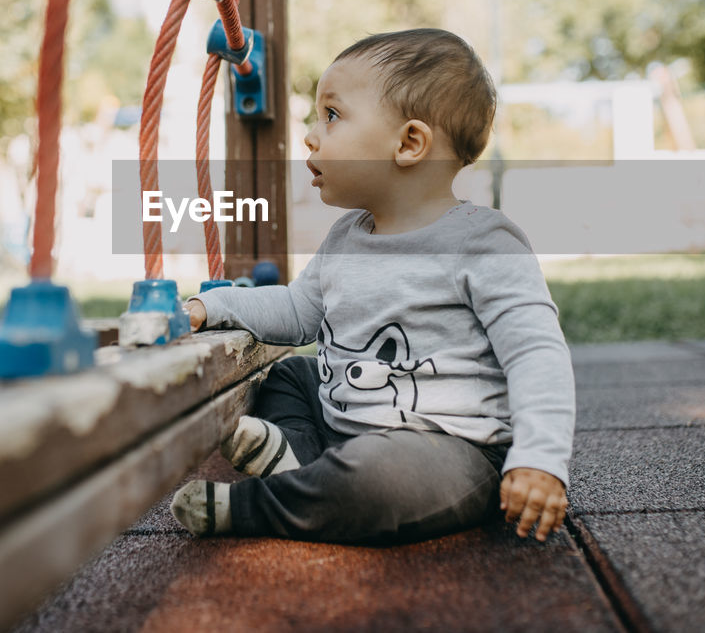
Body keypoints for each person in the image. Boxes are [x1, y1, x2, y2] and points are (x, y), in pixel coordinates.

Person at [171, 28, 575, 545]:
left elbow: (536, 354)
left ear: (409, 144)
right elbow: (298, 310)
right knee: (290, 376)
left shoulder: (483, 242)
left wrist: (539, 459)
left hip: (449, 449)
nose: (311, 136)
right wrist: (215, 304)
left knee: (382, 480)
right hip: (345, 426)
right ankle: (299, 457)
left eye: (332, 116)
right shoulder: (348, 235)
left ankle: (257, 507)